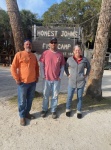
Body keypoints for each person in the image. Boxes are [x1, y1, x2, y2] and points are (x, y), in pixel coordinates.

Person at [11, 40, 39, 126]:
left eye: (30, 44)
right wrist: (16, 78)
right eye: (27, 44)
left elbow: (36, 68)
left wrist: (37, 77)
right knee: (22, 101)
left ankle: (27, 113)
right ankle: (22, 116)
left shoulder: (34, 56)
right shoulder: (19, 54)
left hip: (32, 83)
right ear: (24, 46)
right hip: (22, 83)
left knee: (30, 99)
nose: (28, 45)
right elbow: (13, 67)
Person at [39, 37, 65, 119]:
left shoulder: (60, 54)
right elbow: (41, 65)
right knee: (45, 95)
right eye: (52, 42)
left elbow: (62, 66)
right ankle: (44, 109)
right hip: (46, 79)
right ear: (49, 44)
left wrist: (60, 77)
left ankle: (53, 110)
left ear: (57, 44)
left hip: (56, 79)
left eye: (55, 42)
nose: (53, 44)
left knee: (55, 95)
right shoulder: (45, 53)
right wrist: (43, 75)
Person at [65, 45, 90, 119]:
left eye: (79, 50)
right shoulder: (69, 59)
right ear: (73, 51)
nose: (77, 51)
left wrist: (86, 75)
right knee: (69, 96)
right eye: (76, 50)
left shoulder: (84, 60)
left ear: (81, 51)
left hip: (81, 81)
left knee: (79, 97)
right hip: (71, 81)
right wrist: (68, 74)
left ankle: (79, 111)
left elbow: (89, 67)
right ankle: (68, 109)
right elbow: (65, 67)